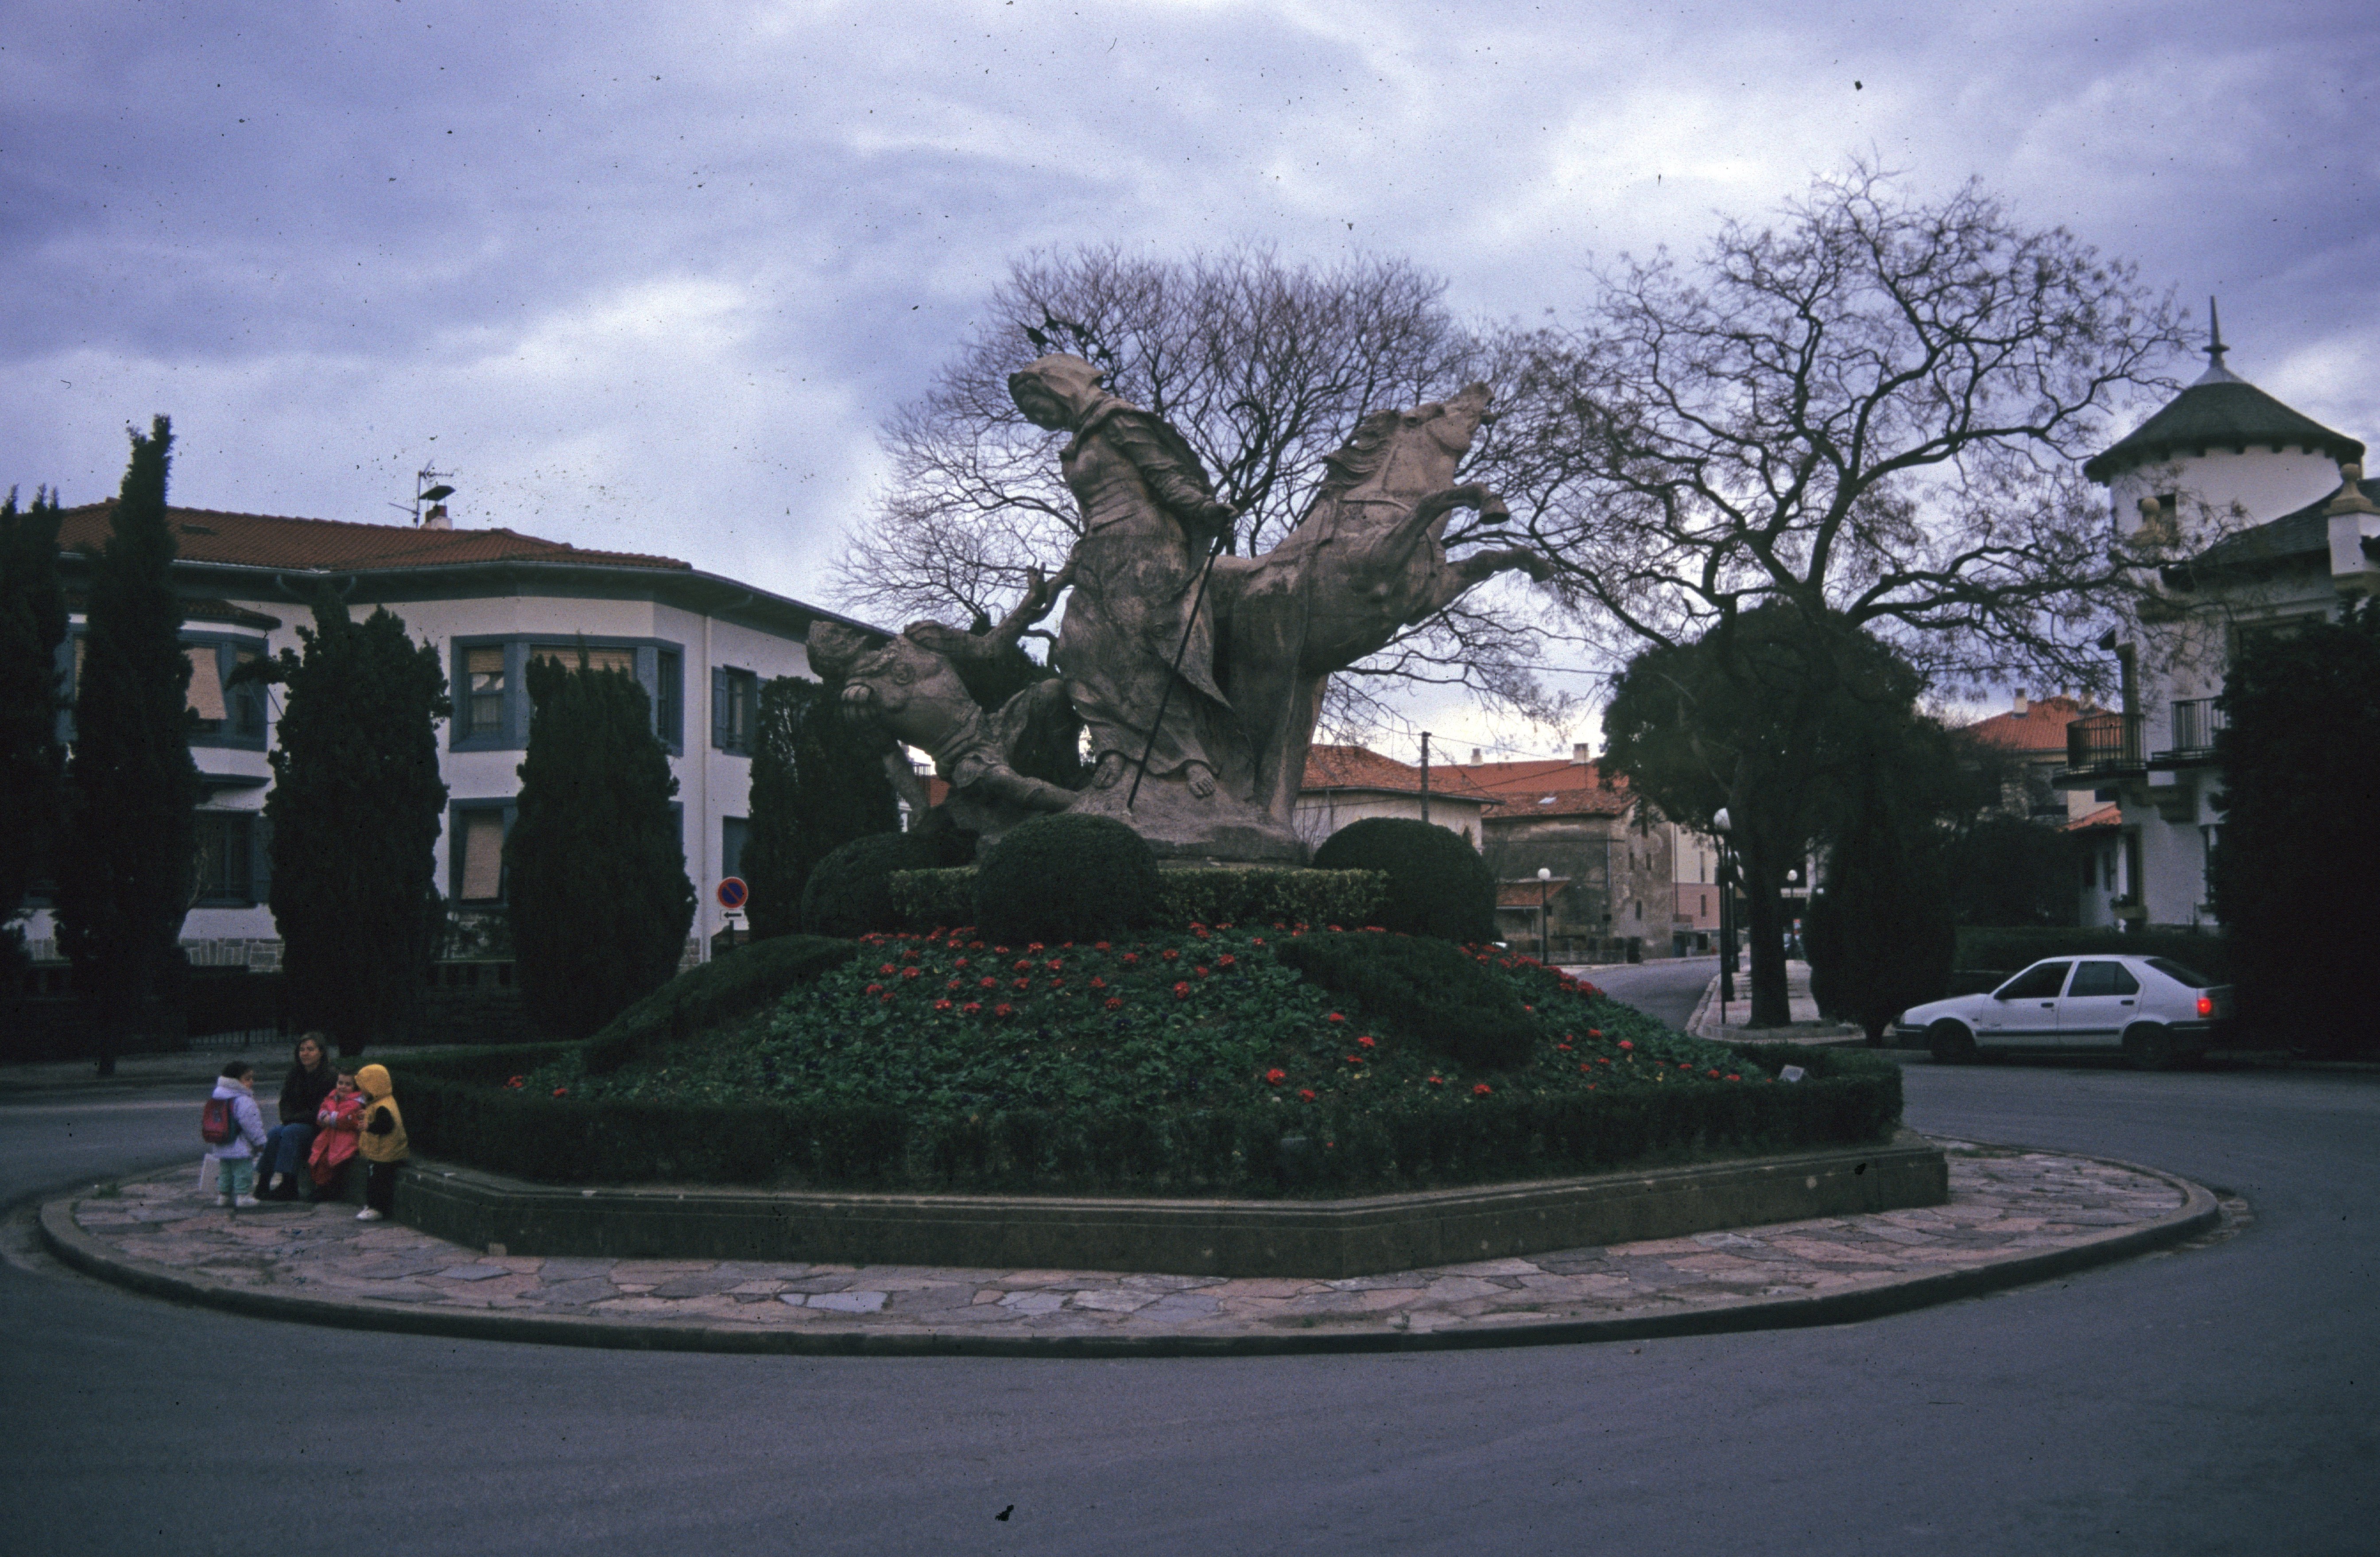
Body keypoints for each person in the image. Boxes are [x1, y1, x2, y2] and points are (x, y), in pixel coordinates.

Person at [259, 1033, 337, 1201]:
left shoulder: (330, 1076)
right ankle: (263, 1183)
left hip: (316, 1125)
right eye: (302, 1050)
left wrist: (294, 1120)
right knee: (275, 1133)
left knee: (290, 1132)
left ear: (321, 1052)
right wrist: (287, 1117)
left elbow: (321, 1108)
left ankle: (289, 1185)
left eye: (310, 1049)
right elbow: (285, 1101)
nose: (305, 1054)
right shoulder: (295, 1073)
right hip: (294, 1122)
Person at [202, 1062, 270, 1208]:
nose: (251, 1082)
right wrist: (260, 1143)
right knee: (243, 1171)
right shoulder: (244, 1100)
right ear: (235, 1082)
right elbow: (252, 1125)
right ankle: (243, 1196)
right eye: (247, 1079)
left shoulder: (218, 1097)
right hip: (241, 1146)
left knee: (225, 1172)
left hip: (222, 1142)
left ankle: (224, 1196)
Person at [353, 1063, 408, 1222]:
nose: (362, 1091)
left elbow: (386, 1126)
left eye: (364, 1088)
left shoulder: (383, 1106)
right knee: (375, 1178)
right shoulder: (382, 1101)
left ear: (373, 1086)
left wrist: (368, 1127)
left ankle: (377, 1208)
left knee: (378, 1180)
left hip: (386, 1154)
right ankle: (373, 1205)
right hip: (384, 1152)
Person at [308, 1068, 365, 1199]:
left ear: (355, 1087)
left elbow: (346, 1118)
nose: (343, 1087)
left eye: (348, 1084)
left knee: (331, 1160)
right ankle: (320, 1186)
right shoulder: (332, 1097)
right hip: (329, 1136)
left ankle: (326, 1189)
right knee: (317, 1157)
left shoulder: (356, 1103)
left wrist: (330, 1119)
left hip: (345, 1138)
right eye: (340, 1083)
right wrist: (324, 1116)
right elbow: (324, 1108)